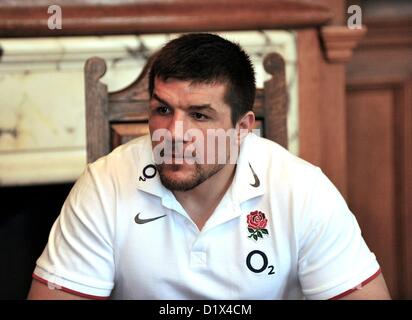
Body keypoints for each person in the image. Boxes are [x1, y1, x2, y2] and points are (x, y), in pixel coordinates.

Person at [28, 33, 391, 300]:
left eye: (200, 115)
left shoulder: (303, 189)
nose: (174, 134)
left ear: (242, 128)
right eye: (163, 110)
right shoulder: (103, 185)